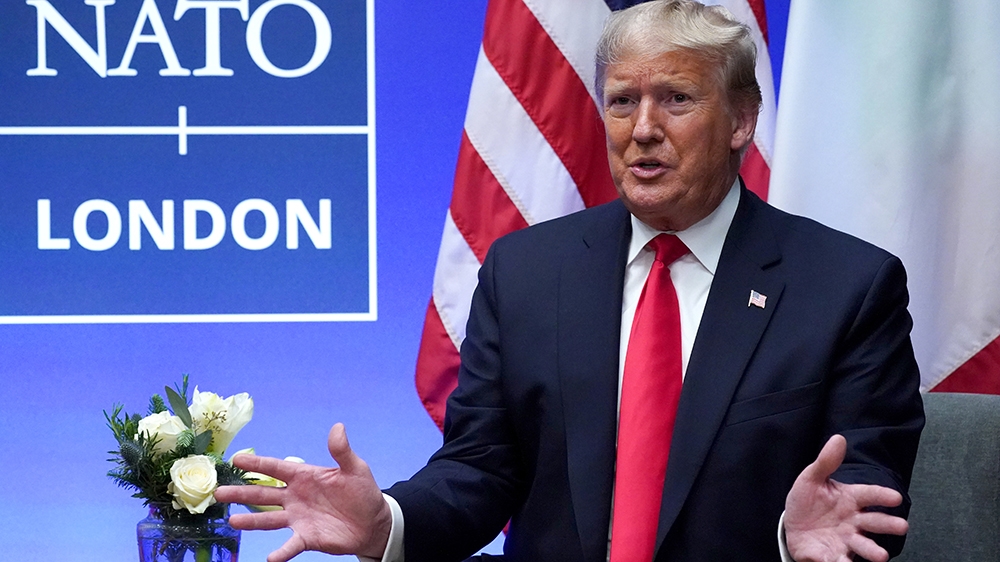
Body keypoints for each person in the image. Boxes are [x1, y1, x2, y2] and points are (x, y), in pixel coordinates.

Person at [215, 2, 924, 561]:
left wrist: (792, 545)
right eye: (622, 101)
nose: (642, 129)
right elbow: (479, 469)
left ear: (742, 120)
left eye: (676, 99)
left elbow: (864, 496)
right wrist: (386, 523)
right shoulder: (525, 272)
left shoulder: (847, 288)